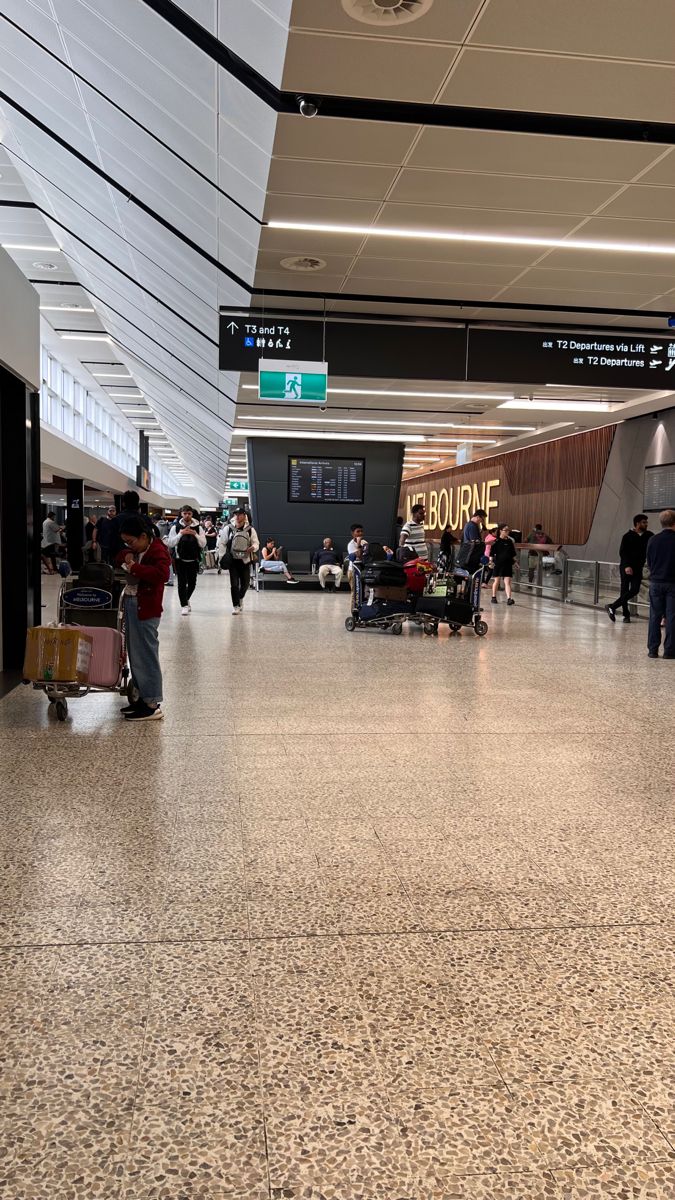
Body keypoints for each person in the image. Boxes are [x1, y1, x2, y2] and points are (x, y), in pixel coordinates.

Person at [117, 516, 171, 721]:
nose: (129, 546)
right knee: (135, 654)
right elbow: (119, 555)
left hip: (146, 608)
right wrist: (128, 554)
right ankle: (142, 697)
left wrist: (134, 568)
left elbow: (162, 574)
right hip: (133, 603)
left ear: (143, 536)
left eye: (131, 542)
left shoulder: (158, 550)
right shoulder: (139, 549)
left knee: (146, 655)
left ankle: (152, 703)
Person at [605, 514, 652, 624]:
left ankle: (612, 606)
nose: (646, 524)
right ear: (637, 524)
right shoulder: (627, 536)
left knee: (635, 589)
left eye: (646, 522)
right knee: (624, 590)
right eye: (644, 522)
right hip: (626, 567)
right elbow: (623, 552)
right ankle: (626, 615)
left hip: (638, 567)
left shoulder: (649, 535)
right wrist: (627, 566)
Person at [645, 508, 675, 659]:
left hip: (656, 582)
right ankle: (669, 651)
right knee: (672, 616)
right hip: (673, 583)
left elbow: (649, 562)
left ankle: (652, 650)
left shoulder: (653, 540)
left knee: (655, 616)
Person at [218, 507, 260, 614]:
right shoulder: (228, 528)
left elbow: (256, 543)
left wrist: (253, 548)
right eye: (236, 514)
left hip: (245, 560)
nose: (237, 516)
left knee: (245, 584)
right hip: (233, 561)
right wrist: (222, 557)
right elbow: (222, 543)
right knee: (234, 584)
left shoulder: (250, 529)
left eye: (240, 514)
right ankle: (235, 605)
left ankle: (240, 597)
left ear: (244, 515)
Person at [168, 505, 206, 615]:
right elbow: (171, 543)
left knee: (192, 583)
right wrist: (181, 534)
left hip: (193, 560)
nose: (187, 516)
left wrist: (195, 535)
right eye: (185, 513)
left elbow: (203, 544)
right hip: (180, 560)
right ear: (181, 514)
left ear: (192, 514)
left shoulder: (199, 528)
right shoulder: (175, 527)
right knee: (181, 583)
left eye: (189, 513)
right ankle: (184, 605)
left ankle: (186, 599)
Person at [108, 491, 142, 562]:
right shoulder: (144, 519)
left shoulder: (116, 520)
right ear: (138, 503)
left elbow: (112, 542)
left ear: (123, 504)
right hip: (142, 559)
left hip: (120, 558)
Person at [490, 523, 517, 605]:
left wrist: (515, 562)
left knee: (507, 582)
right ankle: (494, 597)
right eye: (506, 530)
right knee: (497, 581)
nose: (507, 532)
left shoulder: (509, 542)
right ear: (501, 531)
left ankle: (509, 598)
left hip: (507, 564)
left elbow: (512, 554)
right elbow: (492, 553)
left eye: (508, 530)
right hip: (498, 563)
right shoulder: (496, 541)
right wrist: (491, 562)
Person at [457, 508, 486, 572]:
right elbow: (475, 541)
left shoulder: (468, 525)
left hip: (466, 556)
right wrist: (487, 543)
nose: (482, 521)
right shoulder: (472, 526)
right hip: (471, 557)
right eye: (482, 519)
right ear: (478, 517)